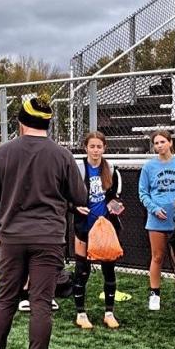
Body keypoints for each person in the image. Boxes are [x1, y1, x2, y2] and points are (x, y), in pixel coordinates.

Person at [0, 96, 87, 349]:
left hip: (12, 237)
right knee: (41, 303)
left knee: (6, 300)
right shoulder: (62, 155)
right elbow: (80, 197)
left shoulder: (2, 153)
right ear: (48, 124)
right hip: (49, 237)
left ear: (20, 122)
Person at [138, 130, 175, 312]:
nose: (159, 145)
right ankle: (155, 294)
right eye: (156, 143)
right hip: (156, 220)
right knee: (157, 257)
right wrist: (154, 209)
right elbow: (143, 193)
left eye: (163, 141)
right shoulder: (148, 167)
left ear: (170, 142)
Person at [72, 132, 123, 330]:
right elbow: (66, 196)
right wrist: (75, 207)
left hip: (105, 228)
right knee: (82, 271)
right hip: (84, 227)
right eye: (92, 146)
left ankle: (109, 313)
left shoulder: (111, 169)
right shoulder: (78, 169)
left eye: (99, 147)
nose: (95, 150)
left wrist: (114, 207)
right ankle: (81, 313)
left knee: (109, 270)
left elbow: (116, 198)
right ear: (86, 148)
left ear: (104, 148)